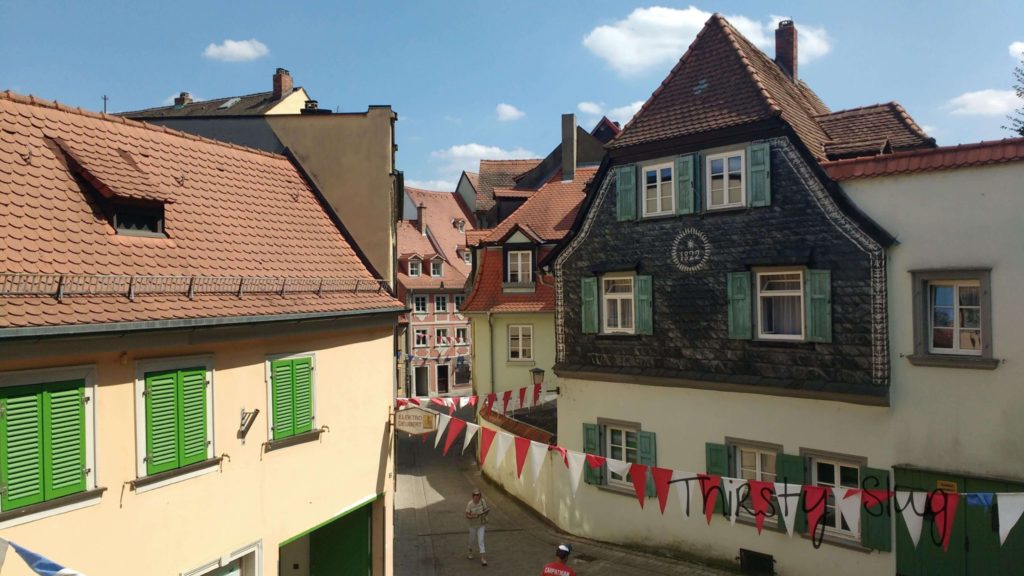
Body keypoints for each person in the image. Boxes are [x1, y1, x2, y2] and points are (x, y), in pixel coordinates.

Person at [465, 488, 489, 566]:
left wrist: (485, 512)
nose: (476, 497)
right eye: (475, 495)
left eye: (478, 495)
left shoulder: (482, 502)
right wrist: (471, 516)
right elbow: (466, 514)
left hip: (481, 525)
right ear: (472, 496)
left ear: (479, 496)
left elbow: (486, 510)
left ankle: (482, 558)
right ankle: (470, 550)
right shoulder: (470, 504)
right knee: (471, 540)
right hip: (472, 525)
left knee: (481, 540)